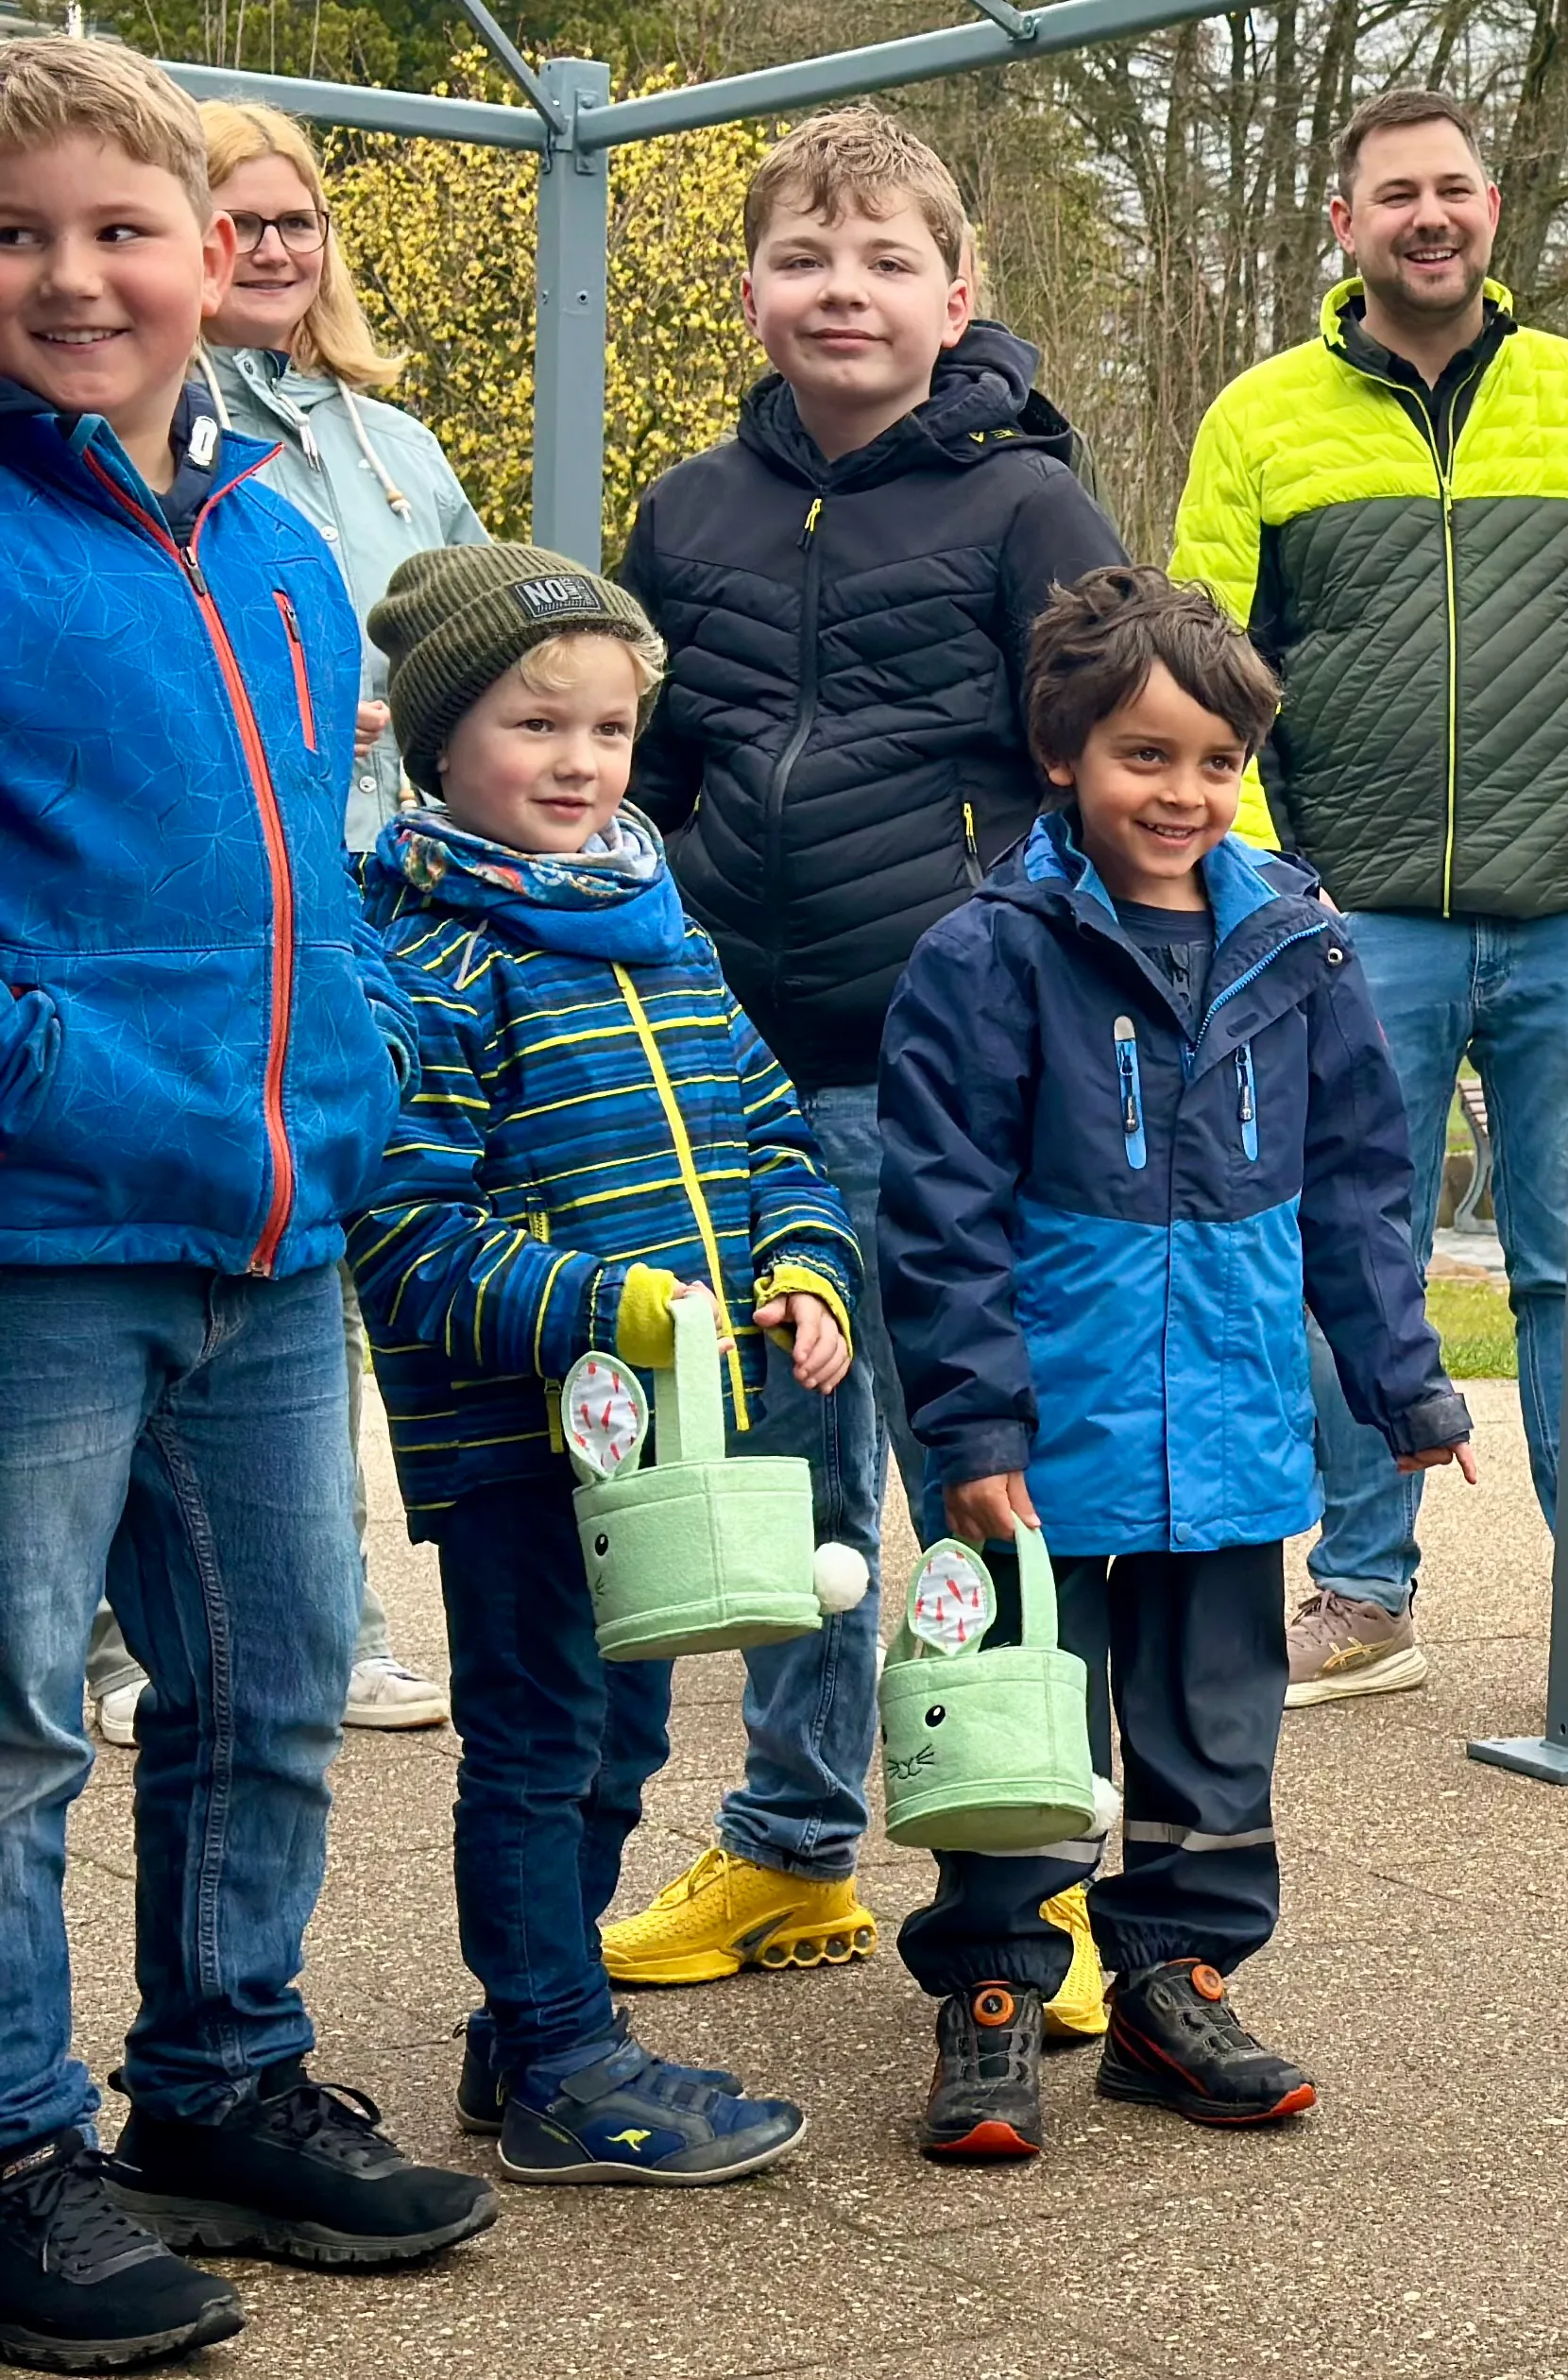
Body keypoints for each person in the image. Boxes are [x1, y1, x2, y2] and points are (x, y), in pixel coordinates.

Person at [0, 35, 496, 2366]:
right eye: (17, 235)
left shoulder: (294, 548)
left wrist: (358, 1085)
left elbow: (328, 863)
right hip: (40, 1228)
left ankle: (215, 2079)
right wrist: (85, 1082)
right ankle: (9, 2144)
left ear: (219, 256)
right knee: (14, 1716)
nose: (73, 273)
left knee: (274, 1677)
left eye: (119, 227)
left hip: (282, 1232)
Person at [609, 104, 1129, 2001]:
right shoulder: (689, 512)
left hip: (949, 1085)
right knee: (784, 1491)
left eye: (887, 258)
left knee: (978, 1471)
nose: (845, 290)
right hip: (736, 1079)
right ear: (753, 289)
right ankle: (790, 1846)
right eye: (808, 257)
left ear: (958, 292)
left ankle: (1035, 1869)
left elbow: (1115, 771)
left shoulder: (1028, 508)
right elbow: (642, 763)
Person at [878, 566, 1473, 2162]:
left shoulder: (1300, 949)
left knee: (1216, 1727)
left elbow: (1360, 1185)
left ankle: (1172, 1983)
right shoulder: (985, 955)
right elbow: (934, 1214)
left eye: (1217, 760)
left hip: (1227, 1424)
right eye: (1148, 755)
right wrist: (973, 1421)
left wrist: (1402, 1379)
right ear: (1064, 751)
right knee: (1019, 1727)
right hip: (1040, 1434)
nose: (1186, 791)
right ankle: (995, 1989)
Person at [1167, 86, 1568, 1729]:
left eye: (1457, 189)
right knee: (1355, 1255)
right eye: (1396, 191)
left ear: (1493, 215)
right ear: (1342, 226)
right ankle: (1361, 1587)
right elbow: (1202, 659)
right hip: (1358, 921)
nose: (1431, 214)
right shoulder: (1259, 420)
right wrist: (1260, 875)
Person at [346, 543, 843, 2184]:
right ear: (437, 749)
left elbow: (771, 1126)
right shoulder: (423, 955)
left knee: (624, 1740)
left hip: (672, 1451)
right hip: (518, 1447)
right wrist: (597, 1303)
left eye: (610, 728)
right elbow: (409, 1234)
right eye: (532, 725)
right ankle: (563, 2053)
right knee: (540, 1735)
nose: (578, 762)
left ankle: (525, 2019)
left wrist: (803, 1260)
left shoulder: (659, 919)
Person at [77, 96, 492, 1752]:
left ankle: (339, 1611)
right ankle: (128, 1632)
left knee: (334, 1263)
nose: (265, 249)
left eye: (292, 221)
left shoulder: (388, 441)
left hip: (377, 888)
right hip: (198, 914)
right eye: (232, 220)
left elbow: (469, 614)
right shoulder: (155, 417)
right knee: (167, 1272)